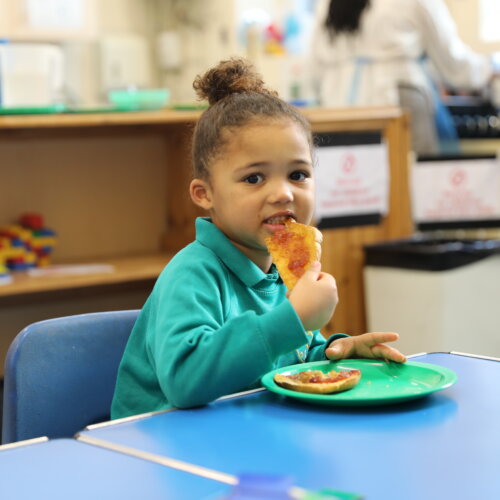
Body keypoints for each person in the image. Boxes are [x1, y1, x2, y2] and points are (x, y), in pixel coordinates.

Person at [111, 57, 406, 419]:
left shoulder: (285, 271)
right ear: (205, 194)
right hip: (160, 450)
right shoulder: (193, 274)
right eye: (254, 178)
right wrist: (294, 318)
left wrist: (336, 351)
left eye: (298, 174)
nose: (283, 193)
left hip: (244, 436)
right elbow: (185, 382)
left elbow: (289, 358)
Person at [309, 0, 499, 154]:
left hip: (338, 107)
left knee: (353, 187)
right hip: (400, 104)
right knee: (412, 186)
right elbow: (454, 63)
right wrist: (488, 69)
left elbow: (314, 71)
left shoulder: (325, 5)